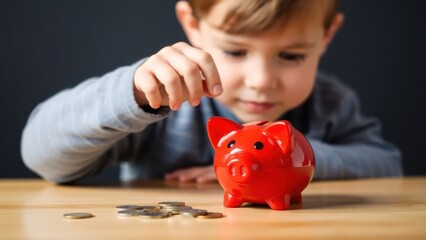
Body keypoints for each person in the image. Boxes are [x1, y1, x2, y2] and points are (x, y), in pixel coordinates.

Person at [21, 0, 403, 184]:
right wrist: (132, 95)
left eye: (291, 55)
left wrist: (297, 159)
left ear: (326, 37)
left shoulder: (329, 103)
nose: (260, 80)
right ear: (193, 25)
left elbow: (387, 166)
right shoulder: (159, 99)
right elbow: (40, 156)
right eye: (236, 51)